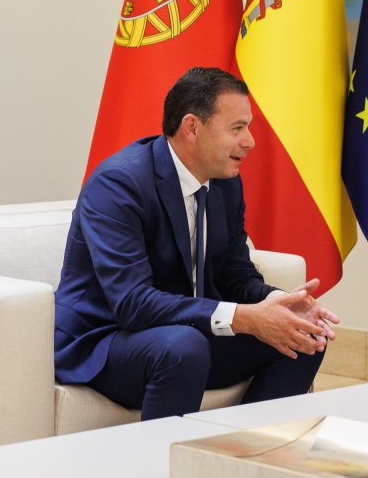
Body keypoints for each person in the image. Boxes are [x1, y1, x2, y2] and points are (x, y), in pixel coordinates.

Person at [54, 67, 337, 418]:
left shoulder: (224, 182)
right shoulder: (118, 184)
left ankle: (241, 456)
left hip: (185, 333)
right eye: (237, 128)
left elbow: (235, 276)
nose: (250, 141)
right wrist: (244, 318)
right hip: (106, 340)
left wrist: (279, 303)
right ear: (192, 127)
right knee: (183, 347)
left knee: (305, 336)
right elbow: (132, 303)